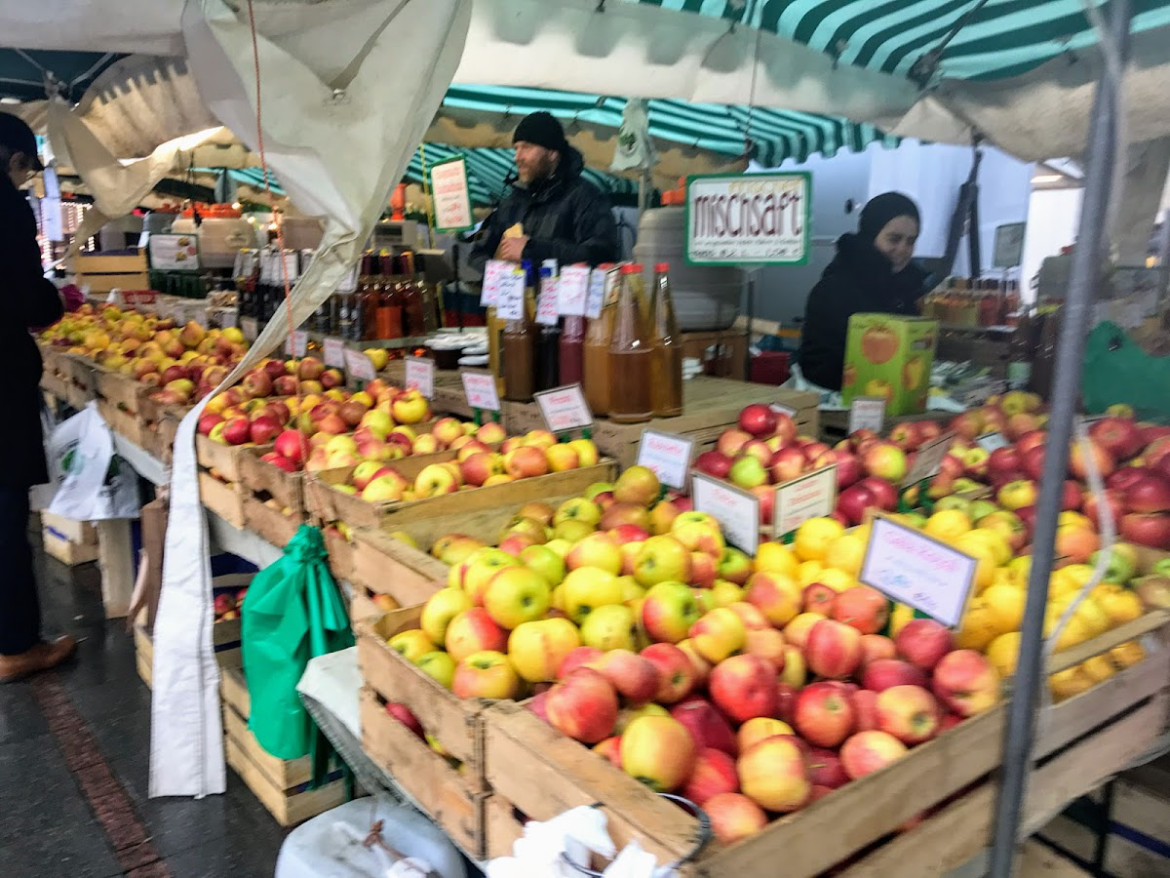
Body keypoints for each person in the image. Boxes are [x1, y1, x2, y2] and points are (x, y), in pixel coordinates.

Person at [0, 113, 74, 683]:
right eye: (27, 172)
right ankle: (16, 646)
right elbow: (27, 298)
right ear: (16, 159)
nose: (26, 182)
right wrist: (56, 301)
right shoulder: (6, 206)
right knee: (5, 512)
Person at [799, 192, 926, 391]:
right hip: (844, 400)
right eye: (894, 239)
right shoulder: (833, 290)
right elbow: (816, 364)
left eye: (910, 241)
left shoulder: (908, 287)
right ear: (870, 236)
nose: (903, 249)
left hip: (895, 396)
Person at [469, 112, 619, 270]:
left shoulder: (586, 197)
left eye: (526, 147)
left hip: (565, 287)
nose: (517, 157)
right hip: (511, 286)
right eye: (516, 148)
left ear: (552, 153)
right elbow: (477, 254)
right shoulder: (512, 202)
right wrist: (499, 272)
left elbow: (601, 255)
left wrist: (532, 250)